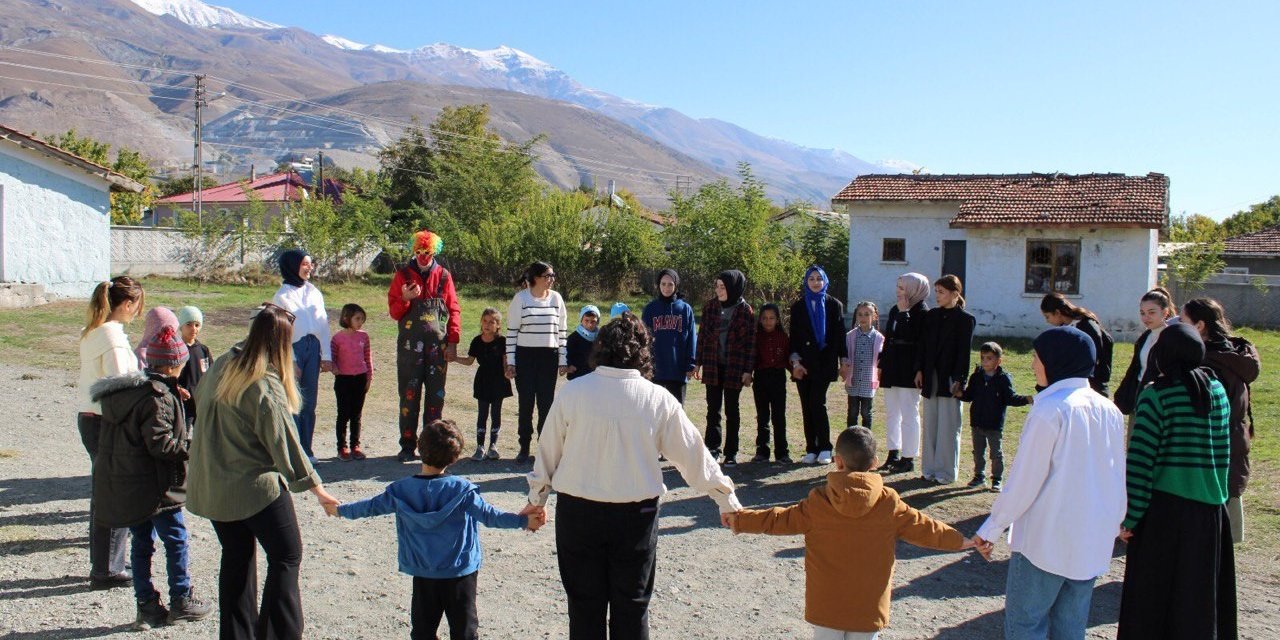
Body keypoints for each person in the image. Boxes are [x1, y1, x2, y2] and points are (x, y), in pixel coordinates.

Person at [528, 312, 743, 640]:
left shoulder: (573, 393)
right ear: (643, 350)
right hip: (636, 517)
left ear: (600, 348)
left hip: (578, 513)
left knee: (584, 608)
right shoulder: (658, 399)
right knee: (632, 606)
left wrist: (536, 499)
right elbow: (694, 456)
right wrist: (725, 499)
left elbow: (547, 452)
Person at [729, 427, 976, 640]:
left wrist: (739, 520)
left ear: (838, 461)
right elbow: (925, 527)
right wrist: (963, 540)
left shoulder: (819, 501)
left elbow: (777, 519)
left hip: (826, 607)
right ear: (875, 462)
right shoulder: (889, 503)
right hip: (868, 609)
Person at [187, 303, 340, 640]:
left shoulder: (224, 363)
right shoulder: (263, 385)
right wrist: (317, 488)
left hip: (214, 483)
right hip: (252, 487)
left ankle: (237, 634)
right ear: (282, 344)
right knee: (287, 554)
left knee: (237, 555)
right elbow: (286, 442)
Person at [974, 326, 1126, 640]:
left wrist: (992, 527)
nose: (1032, 364)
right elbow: (1115, 475)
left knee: (1026, 625)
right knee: (1070, 629)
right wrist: (1113, 524)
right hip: (1090, 540)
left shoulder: (1050, 409)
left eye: (1036, 357)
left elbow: (1025, 480)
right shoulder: (1109, 410)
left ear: (1056, 361)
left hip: (1046, 539)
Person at [331, 419, 545, 640]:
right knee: (464, 631)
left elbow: (369, 507)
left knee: (423, 631)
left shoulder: (401, 491)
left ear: (420, 449)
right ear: (455, 456)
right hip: (460, 572)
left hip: (423, 571)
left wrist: (340, 510)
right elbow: (491, 517)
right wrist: (524, 521)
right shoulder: (462, 491)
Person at [1118, 323, 1235, 639]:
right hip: (1211, 513)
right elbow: (1224, 454)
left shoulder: (1156, 395)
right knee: (1196, 605)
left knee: (1153, 607)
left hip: (1165, 515)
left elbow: (1141, 464)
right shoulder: (1218, 392)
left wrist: (1129, 518)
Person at [91, 326, 212, 629]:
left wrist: (175, 398)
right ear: (174, 364)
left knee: (142, 542)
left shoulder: (134, 392)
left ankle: (146, 605)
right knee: (176, 539)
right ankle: (181, 598)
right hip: (160, 485)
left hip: (133, 483)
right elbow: (161, 445)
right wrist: (196, 447)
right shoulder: (157, 398)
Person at [78, 275, 145, 588]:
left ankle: (105, 563)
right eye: (137, 306)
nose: (137, 312)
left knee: (104, 492)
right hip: (108, 422)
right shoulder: (113, 338)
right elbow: (121, 390)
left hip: (91, 418)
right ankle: (107, 568)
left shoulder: (94, 331)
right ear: (128, 304)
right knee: (114, 494)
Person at [1182, 297, 1260, 543]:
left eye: (1183, 322)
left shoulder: (1207, 362)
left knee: (1210, 527)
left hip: (1213, 447)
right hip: (1234, 440)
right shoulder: (1235, 353)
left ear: (1200, 326)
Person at [388, 230, 462, 463]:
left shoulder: (443, 276)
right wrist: (405, 299)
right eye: (418, 252)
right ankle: (407, 445)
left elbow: (454, 309)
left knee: (435, 397)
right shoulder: (402, 275)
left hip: (437, 349)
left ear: (434, 252)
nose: (422, 257)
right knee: (409, 396)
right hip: (410, 349)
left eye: (427, 252)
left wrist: (453, 341)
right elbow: (393, 312)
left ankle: (430, 446)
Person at [273, 248, 333, 463]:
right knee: (294, 400)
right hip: (294, 349)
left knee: (310, 401)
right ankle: (295, 450)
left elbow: (323, 325)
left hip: (313, 348)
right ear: (292, 266)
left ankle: (307, 449)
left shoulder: (314, 292)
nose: (310, 268)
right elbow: (281, 333)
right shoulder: (282, 296)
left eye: (310, 263)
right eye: (305, 264)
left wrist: (326, 355)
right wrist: (291, 361)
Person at [505, 261, 569, 463]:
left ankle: (544, 449)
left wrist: (562, 360)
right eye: (548, 275)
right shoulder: (521, 299)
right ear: (535, 278)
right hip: (525, 357)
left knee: (546, 405)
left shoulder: (557, 299)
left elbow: (562, 332)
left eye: (553, 275)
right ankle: (524, 447)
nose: (552, 279)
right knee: (526, 404)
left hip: (548, 357)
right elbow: (512, 332)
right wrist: (511, 362)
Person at [914, 275, 975, 485]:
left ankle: (946, 472)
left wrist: (960, 379)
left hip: (950, 377)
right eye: (936, 291)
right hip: (931, 375)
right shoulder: (931, 317)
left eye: (941, 292)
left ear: (955, 294)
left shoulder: (965, 320)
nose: (937, 296)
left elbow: (964, 352)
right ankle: (929, 468)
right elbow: (923, 345)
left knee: (948, 426)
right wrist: (920, 369)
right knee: (931, 423)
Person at [694, 270, 757, 466]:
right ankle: (712, 449)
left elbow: (750, 344)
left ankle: (731, 452)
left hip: (734, 368)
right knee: (713, 410)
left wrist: (748, 370)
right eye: (717, 286)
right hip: (713, 365)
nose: (719, 290)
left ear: (733, 288)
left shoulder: (746, 311)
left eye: (723, 287)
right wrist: (698, 362)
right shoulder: (710, 307)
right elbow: (702, 336)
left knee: (732, 410)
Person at [789, 266, 848, 465]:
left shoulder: (834, 305)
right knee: (806, 405)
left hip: (824, 362)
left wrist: (844, 362)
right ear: (806, 282)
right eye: (811, 279)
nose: (815, 282)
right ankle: (811, 448)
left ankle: (825, 447)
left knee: (817, 402)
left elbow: (840, 336)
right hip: (803, 365)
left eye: (818, 279)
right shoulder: (798, 307)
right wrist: (795, 362)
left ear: (824, 281)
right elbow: (794, 338)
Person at [876, 273, 930, 474]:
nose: (898, 291)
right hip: (892, 365)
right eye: (897, 286)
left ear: (914, 289)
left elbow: (917, 340)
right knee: (892, 412)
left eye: (902, 287)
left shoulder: (922, 313)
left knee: (909, 412)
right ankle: (893, 452)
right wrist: (882, 364)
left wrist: (919, 369)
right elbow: (889, 336)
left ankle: (909, 457)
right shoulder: (894, 310)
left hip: (909, 367)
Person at [959, 342, 1031, 492]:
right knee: (978, 451)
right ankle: (979, 476)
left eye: (989, 358)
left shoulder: (1003, 379)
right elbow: (970, 395)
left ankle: (997, 479)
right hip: (977, 422)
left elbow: (1010, 398)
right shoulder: (976, 377)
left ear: (998, 361)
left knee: (995, 453)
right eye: (983, 358)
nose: (985, 361)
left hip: (994, 424)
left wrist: (1026, 399)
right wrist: (960, 394)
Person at [453, 308, 513, 461]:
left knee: (496, 413)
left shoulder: (502, 341)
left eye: (492, 322)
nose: (487, 325)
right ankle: (480, 446)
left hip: (499, 380)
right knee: (482, 413)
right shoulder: (476, 341)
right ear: (481, 322)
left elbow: (506, 362)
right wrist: (454, 358)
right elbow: (469, 361)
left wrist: (508, 372)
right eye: (485, 321)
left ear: (498, 325)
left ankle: (493, 446)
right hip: (483, 380)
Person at [1114, 287, 1178, 416]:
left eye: (1151, 312)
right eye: (1142, 313)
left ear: (1165, 313)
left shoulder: (1173, 338)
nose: (1146, 317)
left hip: (1160, 401)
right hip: (1139, 397)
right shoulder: (1145, 337)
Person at [1039, 293, 1113, 395]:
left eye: (1047, 316)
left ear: (1057, 312)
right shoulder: (1064, 328)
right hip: (1071, 384)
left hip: (1091, 385)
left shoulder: (1087, 326)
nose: (1047, 321)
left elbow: (1096, 357)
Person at [642, 268, 697, 403]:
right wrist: (643, 363)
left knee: (676, 412)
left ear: (676, 285)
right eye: (663, 284)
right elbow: (643, 338)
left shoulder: (685, 309)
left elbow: (691, 338)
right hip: (655, 370)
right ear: (658, 285)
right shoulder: (650, 309)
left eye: (670, 284)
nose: (666, 288)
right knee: (654, 411)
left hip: (677, 370)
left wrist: (691, 364)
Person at [331, 303, 373, 461]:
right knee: (343, 414)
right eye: (357, 318)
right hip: (343, 379)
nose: (360, 322)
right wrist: (334, 368)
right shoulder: (337, 338)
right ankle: (342, 447)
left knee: (356, 414)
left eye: (362, 319)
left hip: (360, 378)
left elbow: (368, 358)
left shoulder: (364, 336)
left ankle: (355, 445)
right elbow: (333, 358)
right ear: (346, 318)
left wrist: (369, 377)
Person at [752, 303, 790, 463]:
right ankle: (762, 450)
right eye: (765, 318)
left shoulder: (783, 337)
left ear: (777, 320)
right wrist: (747, 373)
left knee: (779, 415)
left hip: (778, 377)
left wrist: (795, 369)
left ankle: (782, 452)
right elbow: (752, 358)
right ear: (760, 320)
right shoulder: (756, 337)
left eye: (772, 318)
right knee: (762, 416)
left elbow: (788, 358)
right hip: (761, 377)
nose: (768, 321)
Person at [844, 301, 884, 430]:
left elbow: (881, 359)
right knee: (852, 412)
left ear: (874, 316)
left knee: (866, 413)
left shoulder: (879, 338)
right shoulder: (850, 336)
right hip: (854, 380)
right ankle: (851, 440)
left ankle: (867, 440)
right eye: (860, 314)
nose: (863, 317)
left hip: (868, 381)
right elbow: (845, 355)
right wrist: (844, 366)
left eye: (867, 314)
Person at [176, 306, 211, 428]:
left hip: (201, 399)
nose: (193, 328)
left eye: (197, 325)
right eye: (189, 324)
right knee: (183, 433)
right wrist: (178, 388)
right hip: (184, 400)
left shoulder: (203, 350)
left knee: (202, 432)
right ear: (181, 326)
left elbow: (210, 373)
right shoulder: (177, 349)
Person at [566, 305, 601, 381]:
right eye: (586, 320)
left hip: (595, 377)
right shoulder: (573, 338)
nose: (590, 324)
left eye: (593, 321)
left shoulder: (600, 338)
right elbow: (566, 354)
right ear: (581, 320)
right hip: (577, 376)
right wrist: (569, 365)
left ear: (598, 322)